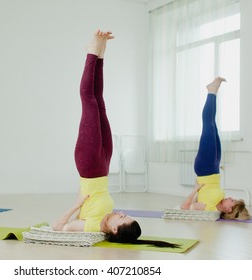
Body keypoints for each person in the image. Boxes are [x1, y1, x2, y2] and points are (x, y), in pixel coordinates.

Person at [52, 30, 179, 248]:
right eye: (125, 214)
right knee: (99, 101)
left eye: (122, 218)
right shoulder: (108, 215)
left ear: (113, 229)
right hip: (104, 164)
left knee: (88, 100)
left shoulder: (91, 226)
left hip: (89, 164)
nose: (121, 212)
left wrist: (77, 205)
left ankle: (92, 51)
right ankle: (100, 53)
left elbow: (58, 227)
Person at [180, 77, 250, 220]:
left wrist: (195, 189)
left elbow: (184, 208)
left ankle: (212, 91)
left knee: (208, 125)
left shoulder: (209, 207)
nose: (231, 197)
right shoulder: (218, 202)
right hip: (214, 167)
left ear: (228, 208)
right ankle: (212, 91)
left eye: (233, 200)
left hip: (205, 168)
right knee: (212, 125)